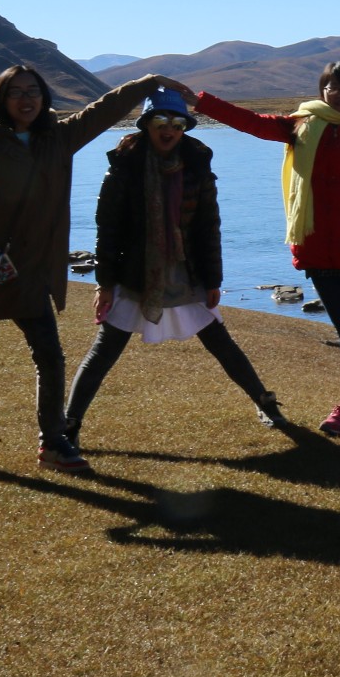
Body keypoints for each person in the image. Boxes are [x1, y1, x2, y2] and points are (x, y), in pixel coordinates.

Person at [0, 65, 170, 473]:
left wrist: (148, 83)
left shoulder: (57, 139)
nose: (26, 99)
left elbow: (103, 110)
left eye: (33, 91)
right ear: (1, 99)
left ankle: (54, 443)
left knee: (50, 357)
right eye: (16, 92)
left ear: (44, 98)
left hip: (31, 272)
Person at [180, 61, 340, 444]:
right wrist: (201, 102)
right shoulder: (301, 124)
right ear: (322, 89)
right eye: (333, 86)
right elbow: (251, 122)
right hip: (316, 244)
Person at [61, 88, 283, 445]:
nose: (169, 130)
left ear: (185, 128)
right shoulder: (123, 167)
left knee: (219, 341)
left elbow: (209, 226)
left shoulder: (197, 166)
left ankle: (265, 403)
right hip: (134, 273)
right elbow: (108, 231)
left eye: (178, 123)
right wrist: (104, 284)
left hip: (186, 270)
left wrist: (213, 279)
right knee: (105, 349)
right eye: (161, 121)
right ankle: (69, 424)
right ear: (147, 125)